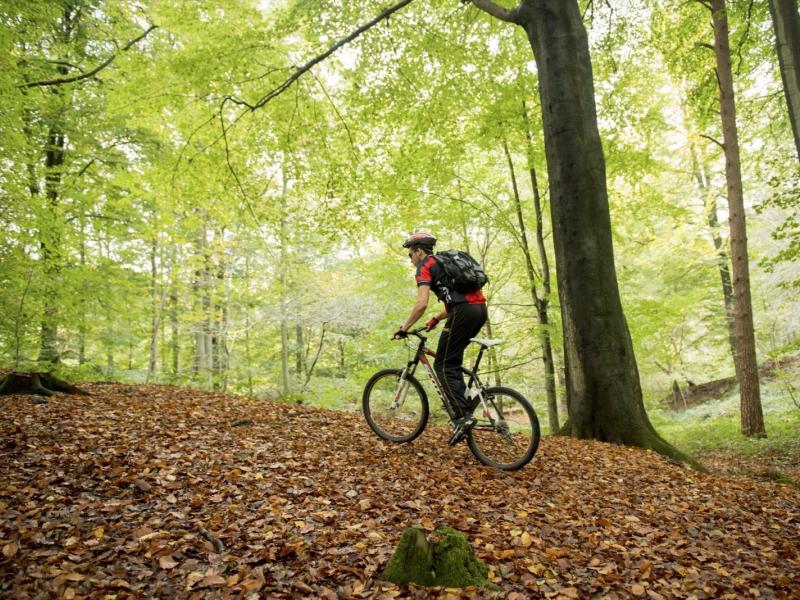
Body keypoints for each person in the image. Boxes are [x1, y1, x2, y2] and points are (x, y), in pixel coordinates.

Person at [393, 232, 488, 445]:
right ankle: (464, 406)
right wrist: (436, 318)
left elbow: (421, 303)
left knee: (443, 365)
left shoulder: (425, 266)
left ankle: (463, 417)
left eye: (410, 255)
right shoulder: (444, 263)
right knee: (452, 362)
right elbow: (460, 299)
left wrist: (404, 328)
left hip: (463, 313)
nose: (410, 260)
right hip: (480, 311)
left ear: (419, 251)